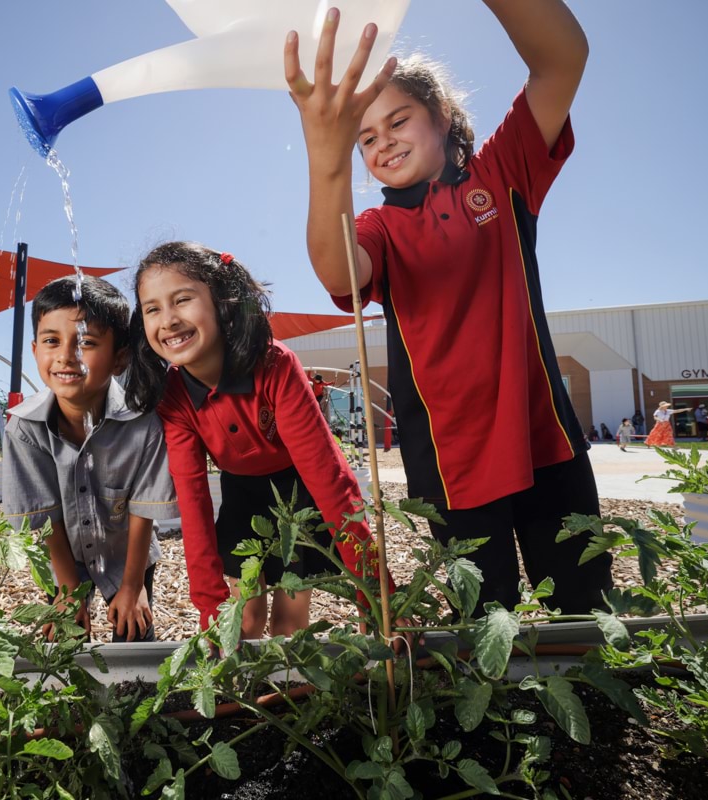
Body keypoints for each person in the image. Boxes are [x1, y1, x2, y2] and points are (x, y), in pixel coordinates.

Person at [282, 1, 612, 614]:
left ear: (442, 118)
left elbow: (563, 59)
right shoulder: (378, 227)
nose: (382, 143)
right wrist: (323, 155)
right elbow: (338, 270)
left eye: (398, 120)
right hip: (449, 462)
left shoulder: (503, 173)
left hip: (546, 438)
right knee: (485, 631)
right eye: (364, 138)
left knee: (585, 611)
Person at [124, 242, 393, 637]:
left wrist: (375, 589)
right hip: (242, 495)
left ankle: (290, 693)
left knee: (288, 623)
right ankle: (244, 690)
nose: (168, 320)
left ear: (223, 304)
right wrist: (209, 608)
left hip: (299, 489)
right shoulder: (174, 397)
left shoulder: (275, 364)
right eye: (152, 309)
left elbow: (328, 478)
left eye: (182, 300)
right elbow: (194, 503)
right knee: (244, 621)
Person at [3, 275, 178, 643]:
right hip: (64, 552)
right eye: (52, 341)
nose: (66, 356)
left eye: (86, 342)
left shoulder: (143, 424)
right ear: (35, 349)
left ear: (120, 358)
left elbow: (143, 512)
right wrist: (68, 590)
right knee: (65, 642)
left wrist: (132, 586)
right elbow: (46, 516)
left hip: (127, 552)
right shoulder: (24, 428)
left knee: (134, 635)